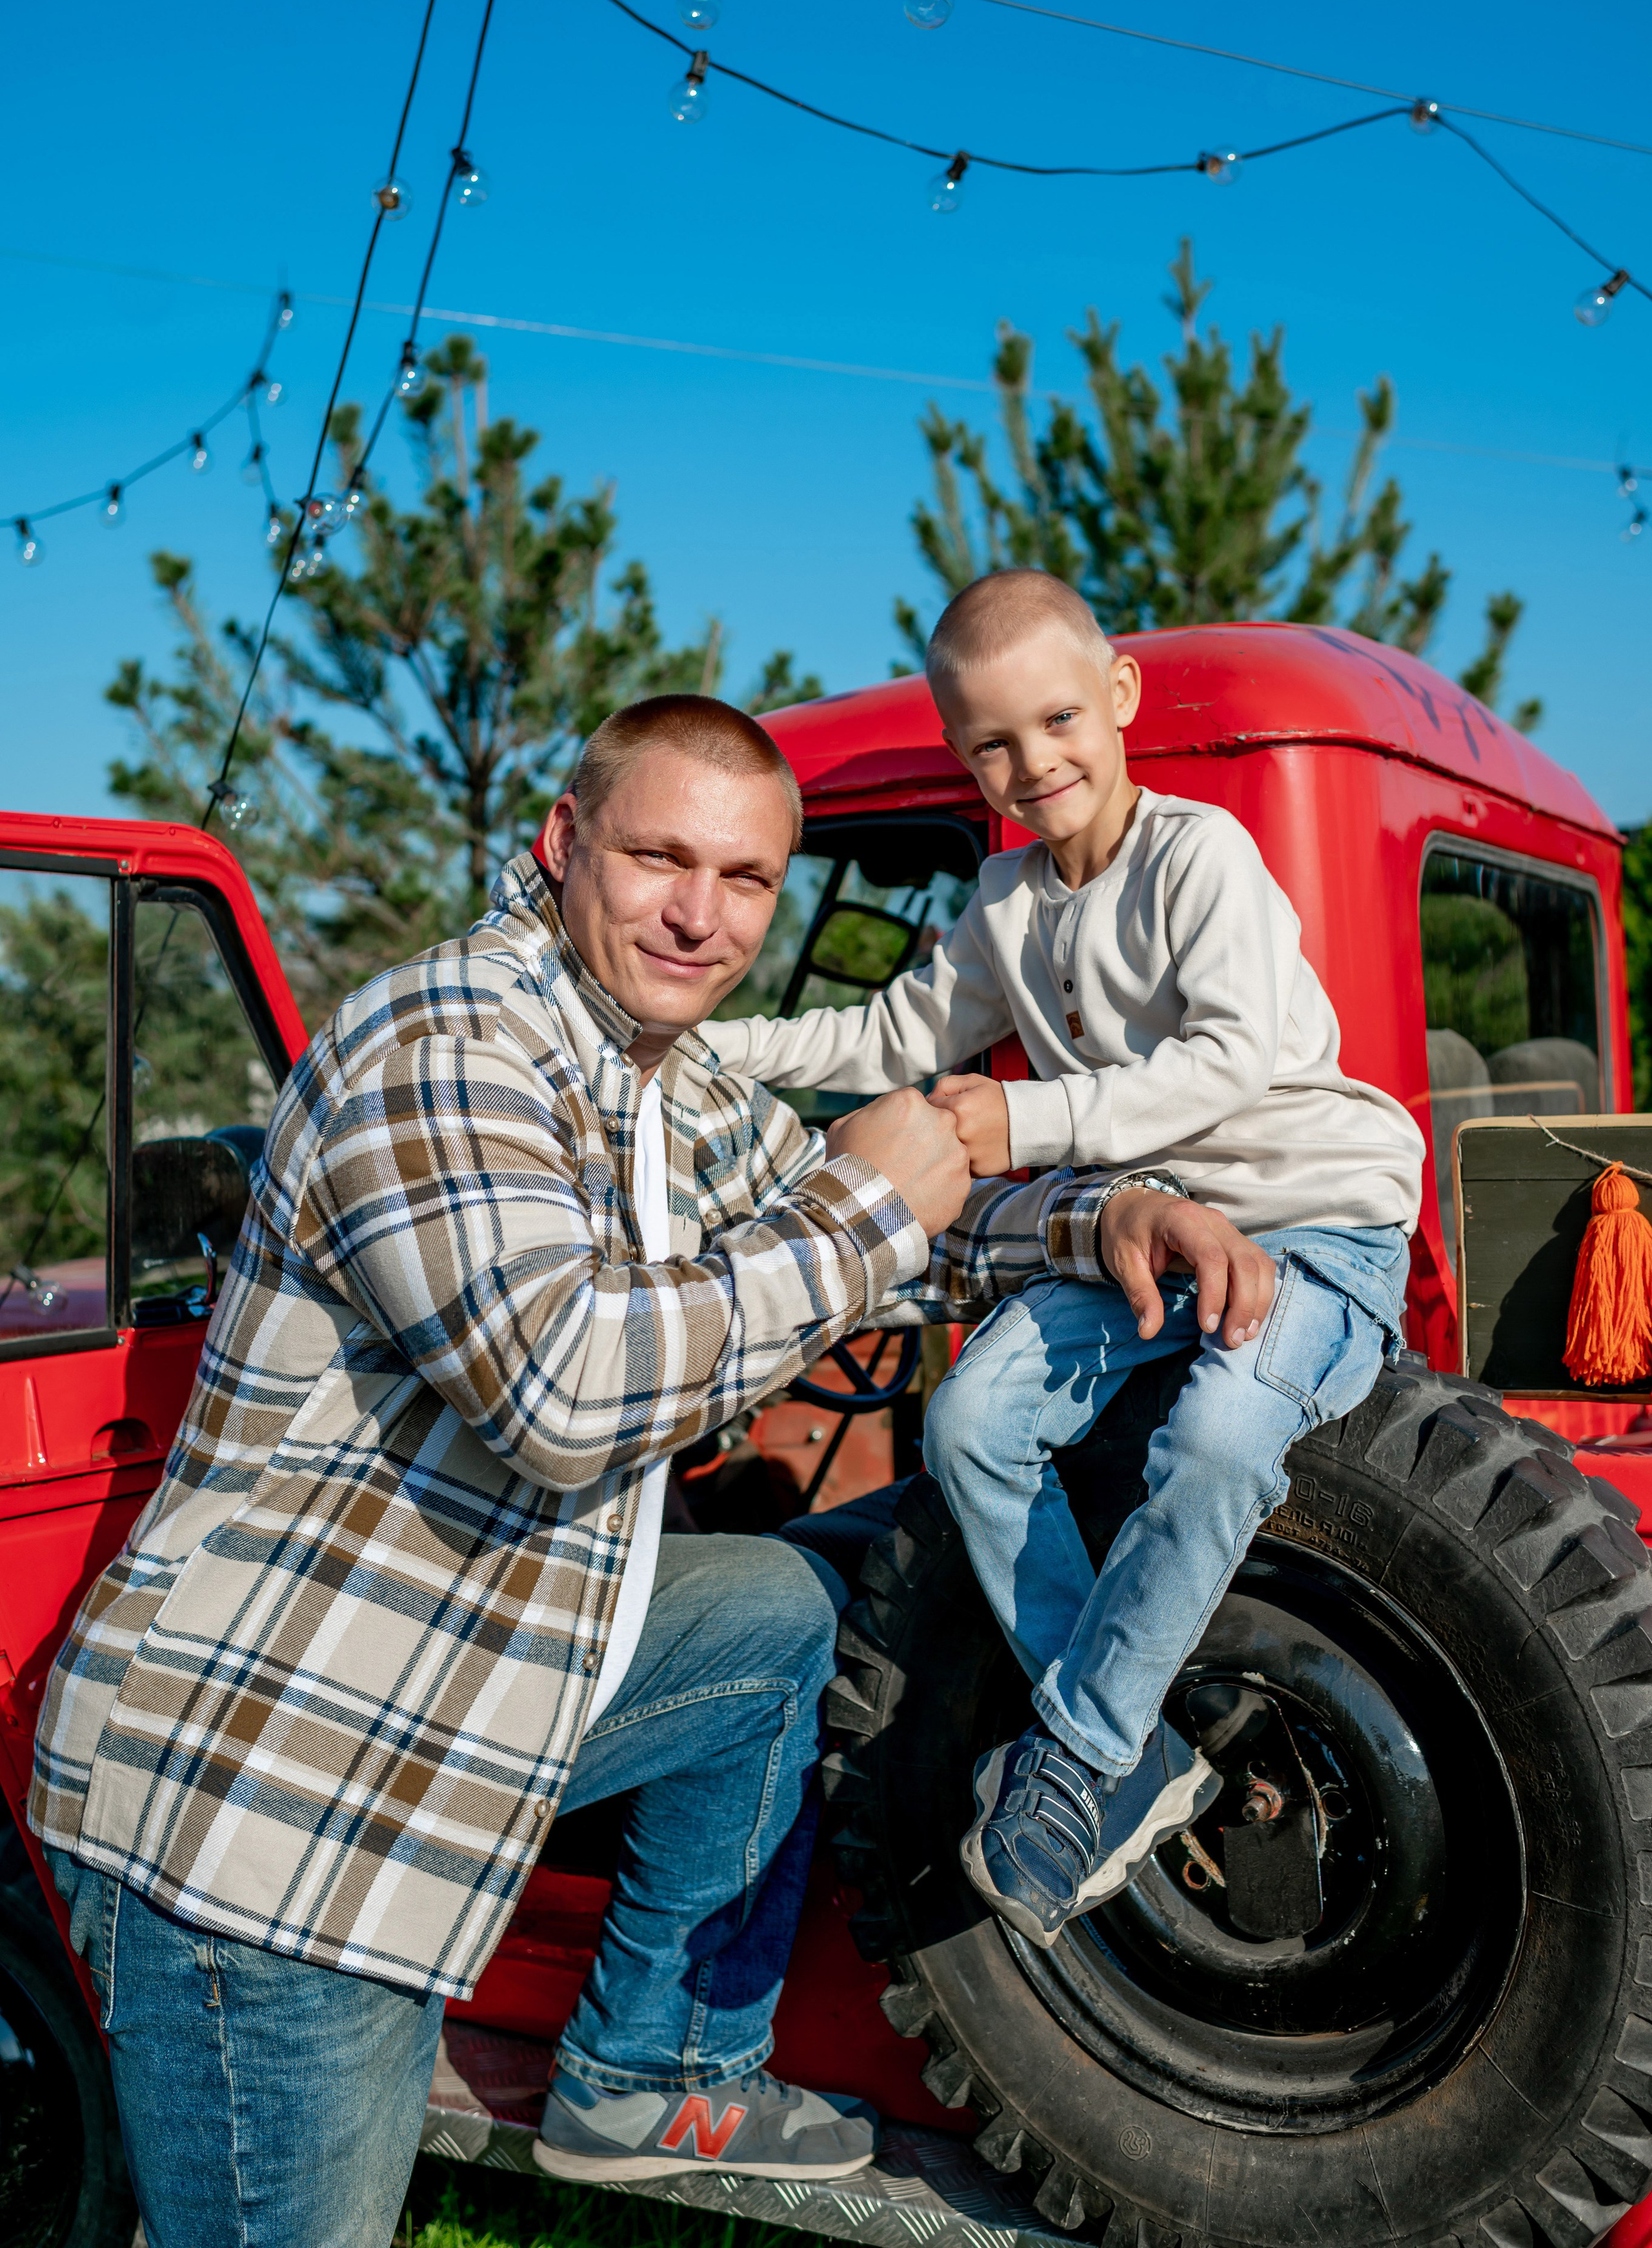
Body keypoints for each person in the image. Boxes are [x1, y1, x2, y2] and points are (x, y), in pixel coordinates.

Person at [28, 692, 1267, 2244]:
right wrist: (864, 1213)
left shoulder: (654, 1078)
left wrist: (1101, 1224)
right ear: (559, 846)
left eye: (746, 879)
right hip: (282, 1800)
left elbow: (882, 1215)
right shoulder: (443, 1043)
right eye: (657, 858)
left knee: (767, 1616)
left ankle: (648, 2070)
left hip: (465, 1674)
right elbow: (565, 1387)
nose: (701, 914)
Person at [710, 575, 1425, 1947]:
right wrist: (714, 1044)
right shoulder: (1004, 907)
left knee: (1217, 1438)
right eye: (989, 744)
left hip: (1309, 1219)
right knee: (972, 1419)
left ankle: (1075, 1760)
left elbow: (1229, 1062)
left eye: (1053, 720)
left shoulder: (1196, 859)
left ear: (1116, 699)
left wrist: (1027, 1119)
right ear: (961, 753)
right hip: (1137, 1234)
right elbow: (881, 1040)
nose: (1031, 762)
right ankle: (1126, 1751)